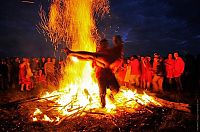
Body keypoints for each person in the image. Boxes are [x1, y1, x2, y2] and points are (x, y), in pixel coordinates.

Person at [64, 35, 124, 108]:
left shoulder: (109, 52)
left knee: (116, 89)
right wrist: (74, 55)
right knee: (102, 92)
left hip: (110, 74)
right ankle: (103, 105)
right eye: (104, 44)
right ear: (101, 45)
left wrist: (117, 42)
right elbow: (88, 57)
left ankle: (110, 95)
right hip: (101, 76)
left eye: (106, 44)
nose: (106, 45)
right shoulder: (99, 54)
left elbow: (118, 49)